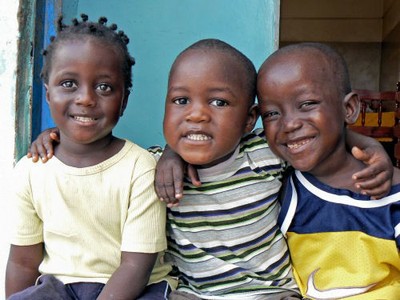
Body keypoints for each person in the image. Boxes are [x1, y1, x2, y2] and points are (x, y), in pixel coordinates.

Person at [28, 39, 394, 300]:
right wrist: (55, 137)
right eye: (181, 100)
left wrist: (367, 144)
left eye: (218, 102)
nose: (197, 113)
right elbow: (99, 152)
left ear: (249, 120)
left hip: (269, 293)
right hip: (193, 293)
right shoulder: (150, 167)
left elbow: (316, 142)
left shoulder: (264, 156)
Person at [5, 14, 176, 300]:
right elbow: (22, 262)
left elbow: (136, 265)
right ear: (48, 95)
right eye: (69, 83)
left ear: (124, 101)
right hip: (58, 289)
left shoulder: (140, 168)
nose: (86, 98)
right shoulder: (30, 171)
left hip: (134, 289)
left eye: (104, 87)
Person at [257, 42, 400, 299]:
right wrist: (171, 157)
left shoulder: (392, 196)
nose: (289, 124)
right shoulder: (277, 186)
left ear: (349, 108)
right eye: (271, 113)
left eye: (307, 103)